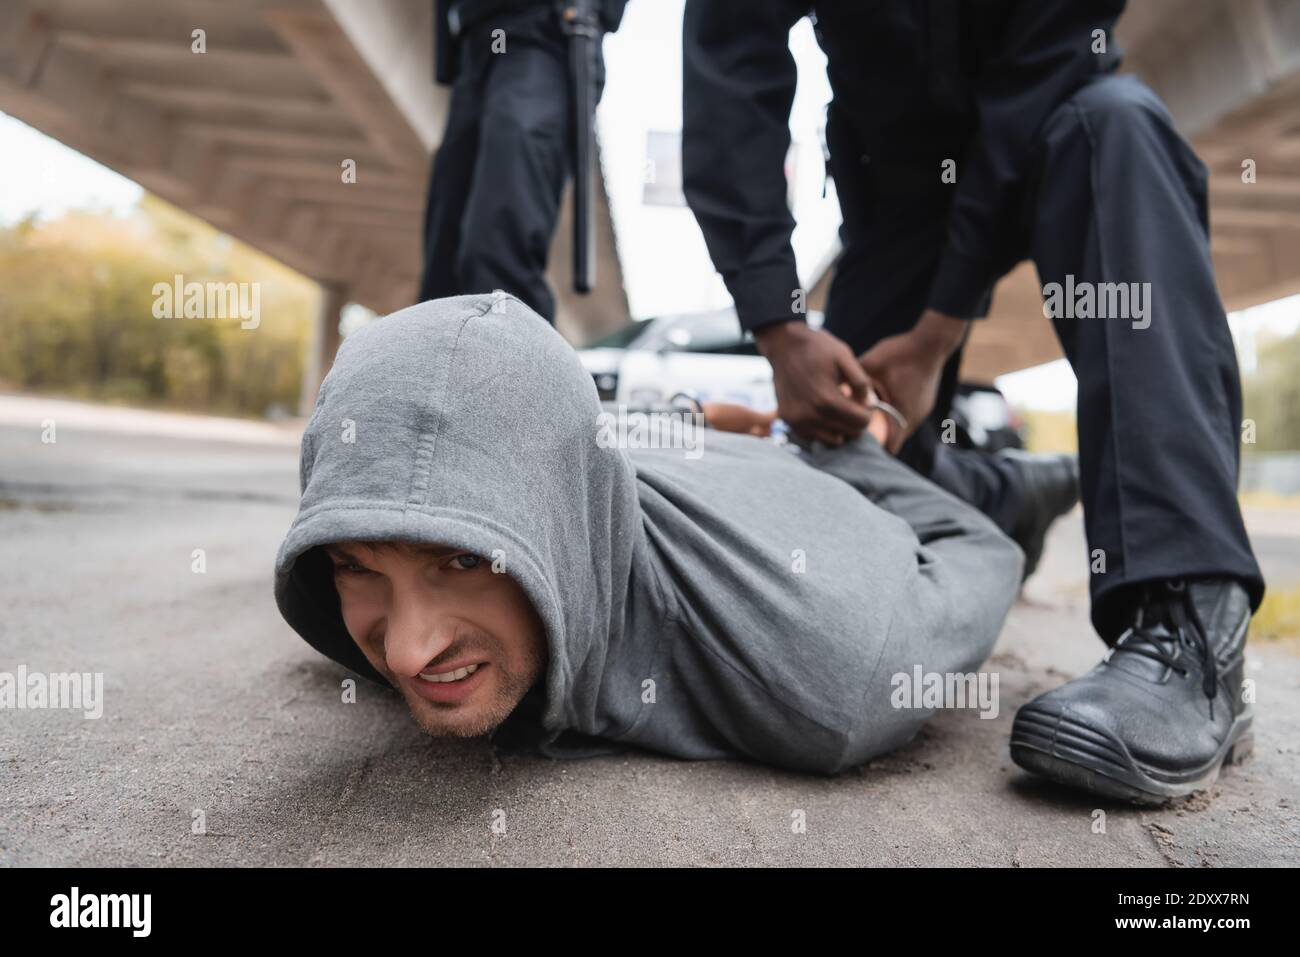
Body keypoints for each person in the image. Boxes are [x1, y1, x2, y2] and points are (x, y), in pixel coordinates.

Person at [681, 0, 1263, 801]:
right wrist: (779, 325)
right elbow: (731, 57)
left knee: (1121, 128)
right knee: (847, 479)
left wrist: (934, 337)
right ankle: (1007, 494)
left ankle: (1192, 624)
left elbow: (1041, 69)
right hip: (899, 180)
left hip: (1054, 123)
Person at [275, 293, 1023, 776]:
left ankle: (1026, 477)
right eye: (353, 564)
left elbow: (983, 547)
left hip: (821, 479)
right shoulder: (562, 459)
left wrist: (856, 454)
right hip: (675, 446)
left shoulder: (829, 675)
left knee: (968, 488)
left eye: (465, 557)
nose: (406, 652)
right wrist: (695, 423)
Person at [419, 0, 628, 321]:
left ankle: (512, 368)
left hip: (547, 34)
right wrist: (448, 55)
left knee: (497, 250)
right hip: (474, 39)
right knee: (442, 266)